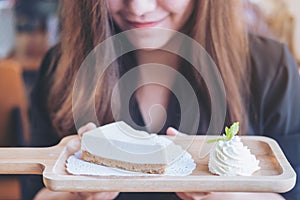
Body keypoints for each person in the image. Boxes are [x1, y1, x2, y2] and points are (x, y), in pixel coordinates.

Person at [21, 0, 300, 199]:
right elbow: (35, 192)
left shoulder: (271, 68)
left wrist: (227, 193)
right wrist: (77, 196)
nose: (139, 7)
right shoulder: (60, 67)